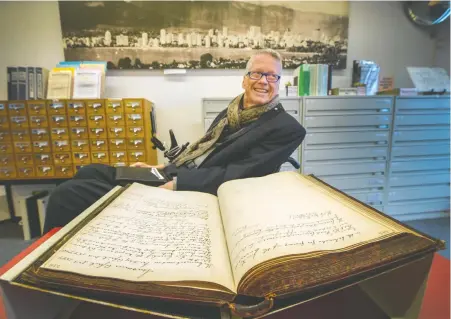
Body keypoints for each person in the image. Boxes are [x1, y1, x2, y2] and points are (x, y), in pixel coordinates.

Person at [43, 49, 306, 233]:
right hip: (177, 172)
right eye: (257, 74)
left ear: (279, 82)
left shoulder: (286, 128)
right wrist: (155, 169)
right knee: (90, 170)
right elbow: (203, 151)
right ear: (244, 79)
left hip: (195, 188)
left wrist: (175, 183)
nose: (264, 81)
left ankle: (46, 273)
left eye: (272, 76)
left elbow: (238, 174)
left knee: (65, 196)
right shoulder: (231, 112)